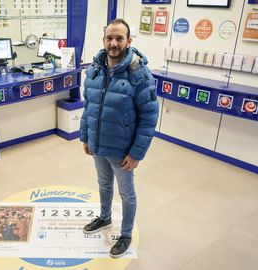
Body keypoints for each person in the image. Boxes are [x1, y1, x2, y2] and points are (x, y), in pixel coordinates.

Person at [80, 18, 159, 258]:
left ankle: (125, 234)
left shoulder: (140, 74)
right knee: (103, 184)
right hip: (98, 144)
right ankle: (105, 217)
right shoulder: (95, 69)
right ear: (103, 40)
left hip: (123, 150)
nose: (113, 43)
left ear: (128, 41)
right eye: (109, 38)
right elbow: (89, 106)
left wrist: (136, 153)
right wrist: (85, 136)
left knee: (127, 193)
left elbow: (149, 117)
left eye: (119, 38)